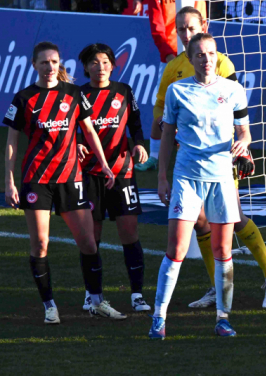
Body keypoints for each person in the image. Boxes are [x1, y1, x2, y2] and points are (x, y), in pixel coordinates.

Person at [147, 6, 266, 309]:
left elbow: (235, 113)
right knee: (199, 223)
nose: (186, 35)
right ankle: (215, 287)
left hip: (222, 160)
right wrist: (160, 124)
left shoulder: (221, 63)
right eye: (181, 29)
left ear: (203, 27)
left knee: (234, 220)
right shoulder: (173, 70)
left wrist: (243, 151)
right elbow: (160, 113)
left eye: (191, 29)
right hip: (189, 162)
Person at [3, 41, 126, 324]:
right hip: (37, 181)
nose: (49, 67)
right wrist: (9, 181)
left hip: (71, 179)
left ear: (60, 65)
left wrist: (105, 165)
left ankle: (96, 301)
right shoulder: (23, 99)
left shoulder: (72, 94)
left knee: (88, 244)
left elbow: (89, 131)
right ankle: (49, 306)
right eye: (44, 62)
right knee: (40, 245)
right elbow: (11, 143)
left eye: (54, 62)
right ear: (34, 65)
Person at [149, 32, 251, 340]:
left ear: (217, 57)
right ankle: (158, 317)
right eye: (200, 54)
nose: (207, 59)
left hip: (222, 179)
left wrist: (243, 144)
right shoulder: (178, 91)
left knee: (223, 249)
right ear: (191, 59)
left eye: (211, 54)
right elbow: (167, 135)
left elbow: (244, 132)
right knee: (176, 248)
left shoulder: (233, 90)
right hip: (187, 178)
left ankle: (223, 318)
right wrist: (162, 176)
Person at [137, 0, 230, 171]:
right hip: (172, 58)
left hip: (201, 56)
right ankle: (156, 157)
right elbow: (157, 27)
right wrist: (169, 56)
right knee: (163, 107)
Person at [76, 43, 151, 313]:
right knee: (91, 238)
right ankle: (91, 294)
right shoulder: (78, 94)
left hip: (122, 173)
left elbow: (135, 123)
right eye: (95, 62)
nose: (101, 67)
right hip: (89, 174)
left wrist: (138, 144)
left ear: (113, 64)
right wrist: (75, 143)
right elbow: (69, 128)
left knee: (129, 233)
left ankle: (137, 295)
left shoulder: (124, 91)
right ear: (85, 67)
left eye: (106, 61)